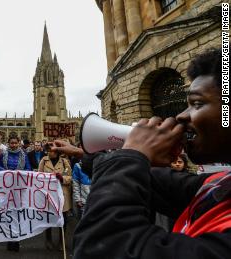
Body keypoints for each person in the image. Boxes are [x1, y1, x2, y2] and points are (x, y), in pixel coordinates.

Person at [50, 49, 230, 258]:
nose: (181, 115)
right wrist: (82, 154)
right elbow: (156, 182)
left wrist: (133, 153)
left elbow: (104, 245)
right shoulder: (219, 185)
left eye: (197, 103)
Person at [0, 135, 31, 252]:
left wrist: (19, 173)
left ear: (19, 143)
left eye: (15, 143)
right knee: (7, 213)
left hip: (18, 188)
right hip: (6, 188)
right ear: (8, 143)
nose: (13, 145)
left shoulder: (24, 155)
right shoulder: (3, 154)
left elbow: (28, 169)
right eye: (11, 143)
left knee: (17, 213)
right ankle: (9, 239)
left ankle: (16, 240)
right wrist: (8, 173)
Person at [38, 143, 72, 251]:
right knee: (49, 217)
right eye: (48, 150)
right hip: (49, 194)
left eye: (52, 150)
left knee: (64, 218)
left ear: (57, 152)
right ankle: (48, 239)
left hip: (62, 193)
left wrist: (62, 178)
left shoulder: (64, 162)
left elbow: (70, 177)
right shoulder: (44, 160)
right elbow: (39, 176)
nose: (50, 152)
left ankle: (62, 241)